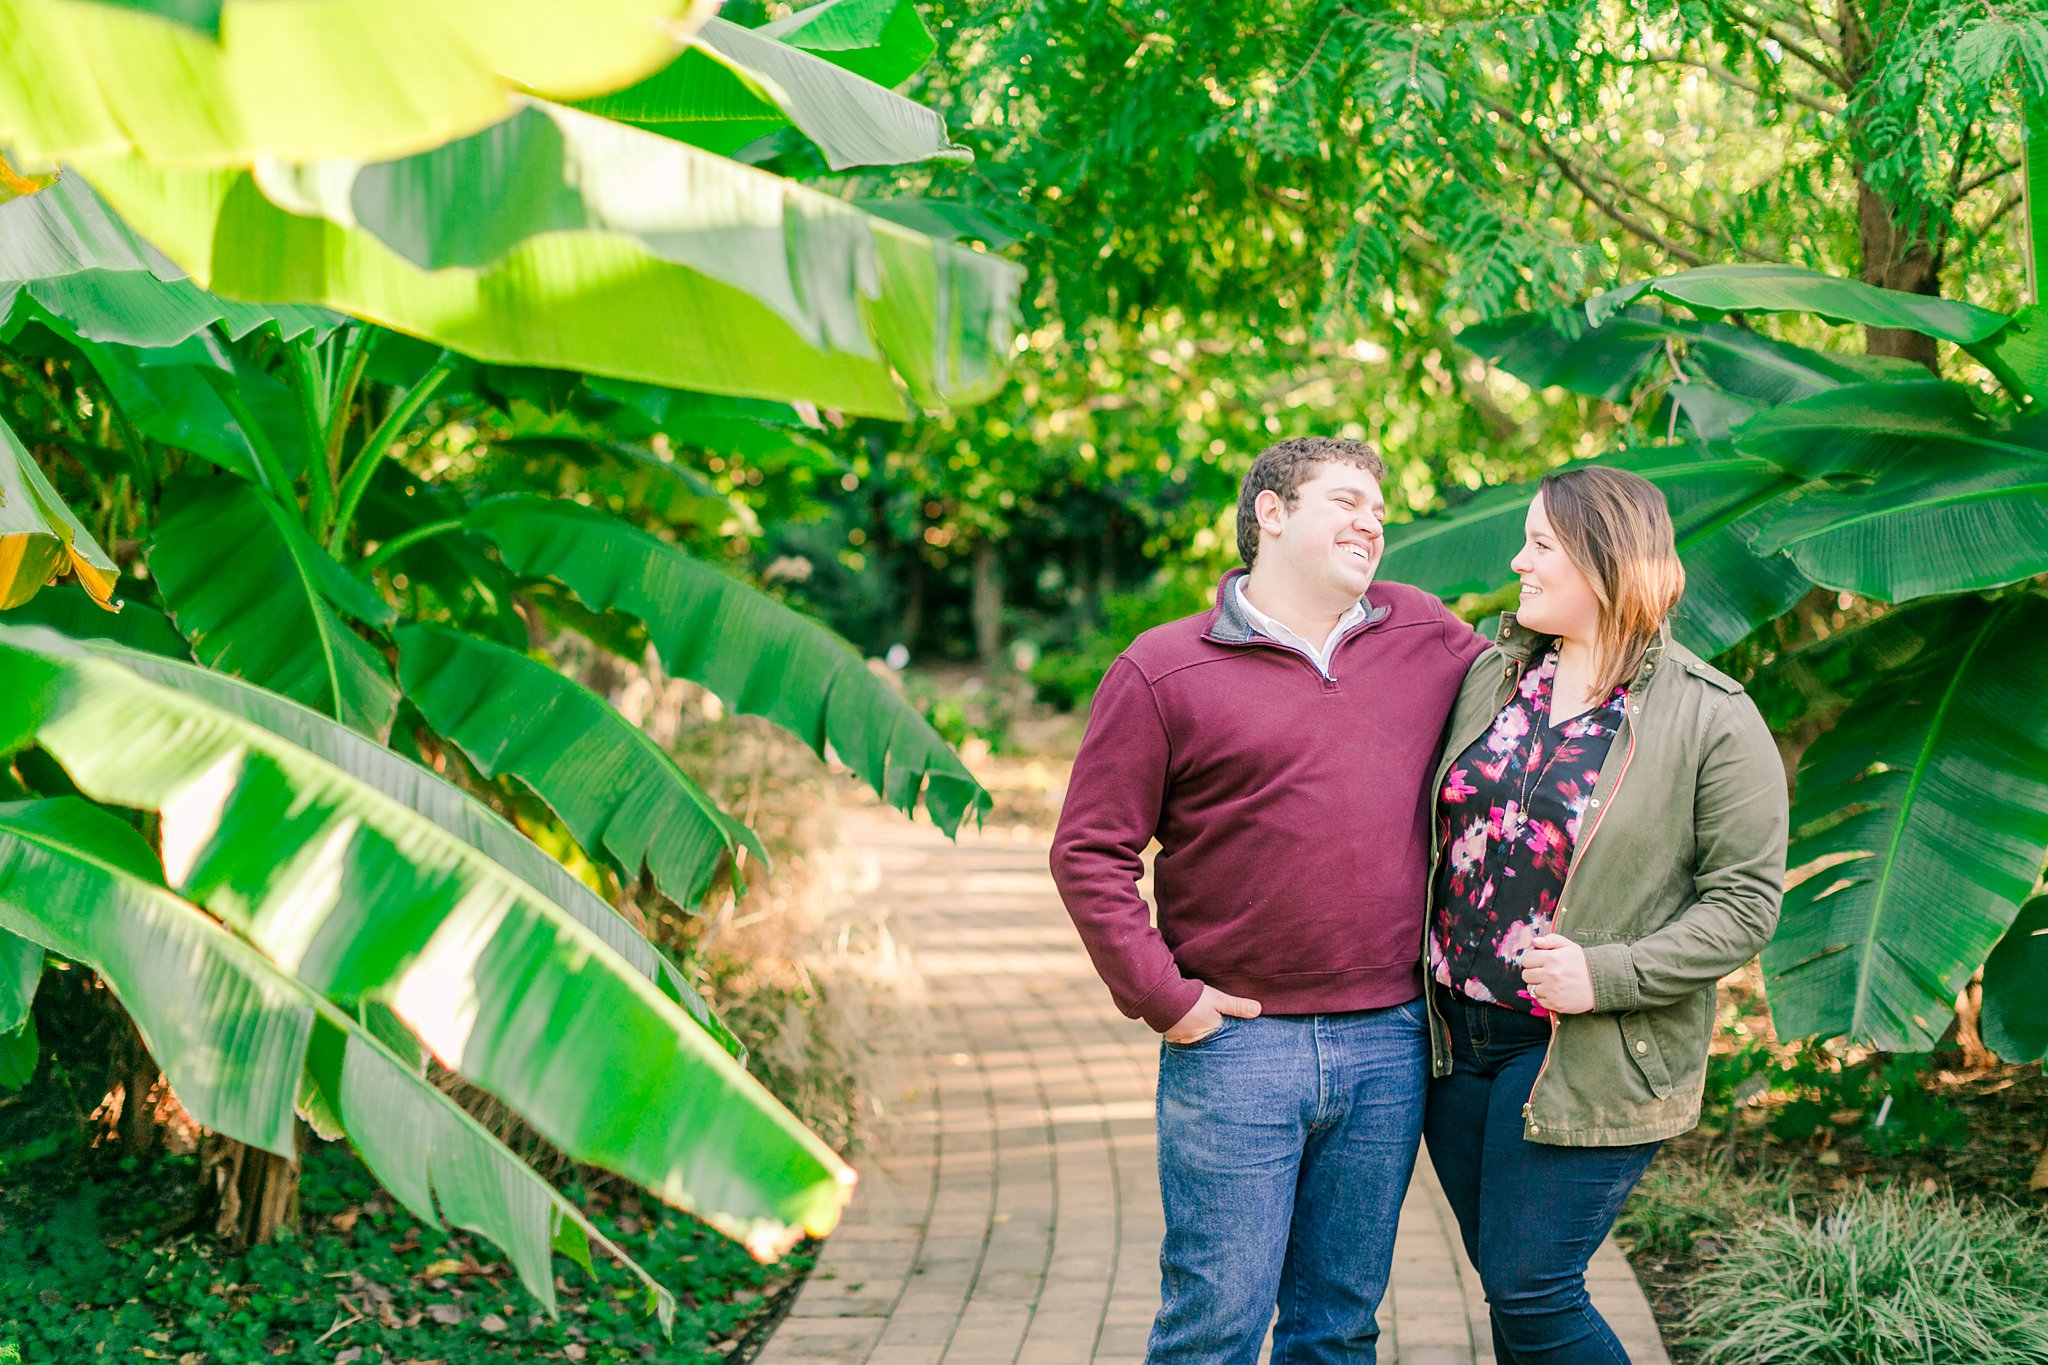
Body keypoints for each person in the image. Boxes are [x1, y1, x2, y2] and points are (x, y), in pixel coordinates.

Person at [1050, 436, 1487, 1364]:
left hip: (1389, 1042)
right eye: (1345, 499)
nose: (1371, 519)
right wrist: (1168, 1001)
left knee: (1339, 1327)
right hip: (1237, 1045)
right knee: (1214, 1324)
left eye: (1379, 506)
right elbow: (1090, 850)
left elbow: (1544, 704)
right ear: (1272, 514)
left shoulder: (1425, 633)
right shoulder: (1163, 668)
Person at [1420, 465, 1788, 1364]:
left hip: (1585, 1051)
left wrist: (1604, 972)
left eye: (1540, 544)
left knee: (1532, 1289)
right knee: (1513, 1292)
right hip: (1451, 1039)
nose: (1518, 560)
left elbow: (1747, 902)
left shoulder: (1714, 718)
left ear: (1601, 560)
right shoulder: (1491, 678)